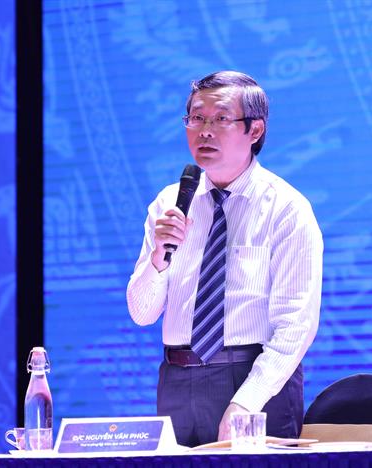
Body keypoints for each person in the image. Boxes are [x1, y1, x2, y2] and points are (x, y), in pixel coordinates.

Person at [126, 71, 323, 447]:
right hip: (177, 380)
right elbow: (142, 313)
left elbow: (296, 326)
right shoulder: (170, 203)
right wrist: (158, 260)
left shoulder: (286, 209)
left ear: (255, 130)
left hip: (253, 382)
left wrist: (246, 402)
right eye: (196, 118)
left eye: (220, 119)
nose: (204, 131)